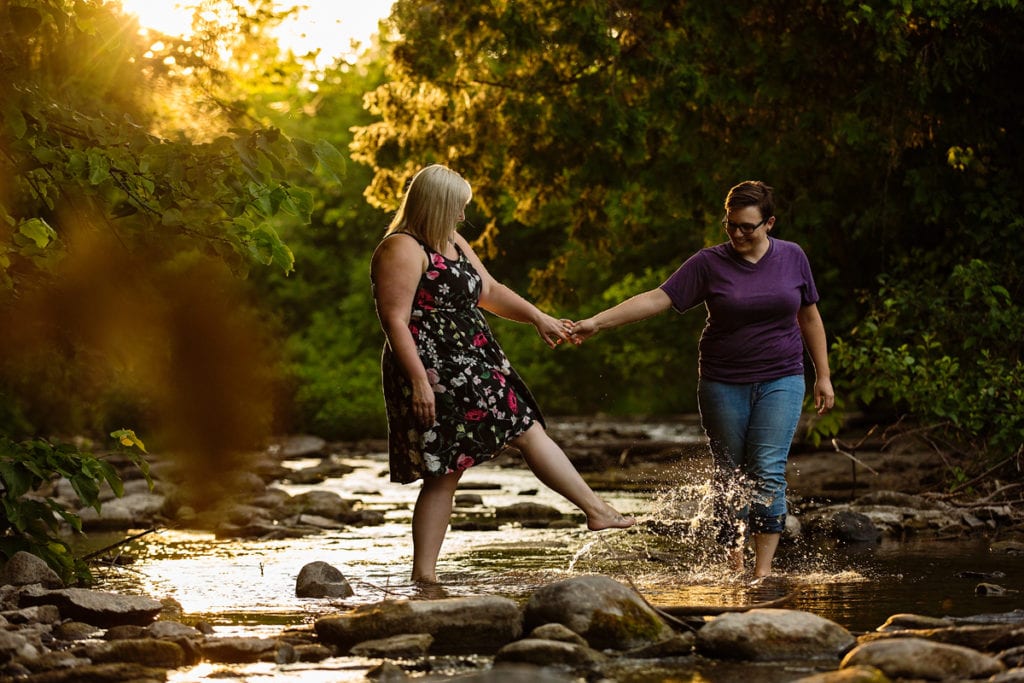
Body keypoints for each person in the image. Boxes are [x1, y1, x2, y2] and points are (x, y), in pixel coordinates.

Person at [370, 164, 635, 585]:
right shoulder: (401, 248)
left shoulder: (452, 241)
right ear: (437, 204)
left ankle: (425, 577)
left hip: (475, 356)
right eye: (457, 207)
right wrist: (420, 381)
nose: (462, 217)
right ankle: (597, 512)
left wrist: (537, 317)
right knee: (467, 458)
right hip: (435, 366)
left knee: (491, 446)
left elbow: (489, 291)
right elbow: (395, 320)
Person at [570, 180, 834, 581]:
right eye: (731, 225)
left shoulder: (793, 258)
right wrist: (596, 323)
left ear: (770, 224)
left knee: (767, 470)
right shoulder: (708, 263)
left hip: (782, 376)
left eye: (748, 226)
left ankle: (762, 573)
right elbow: (658, 298)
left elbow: (809, 317)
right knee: (730, 473)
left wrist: (823, 375)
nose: (739, 234)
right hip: (722, 381)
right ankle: (734, 563)